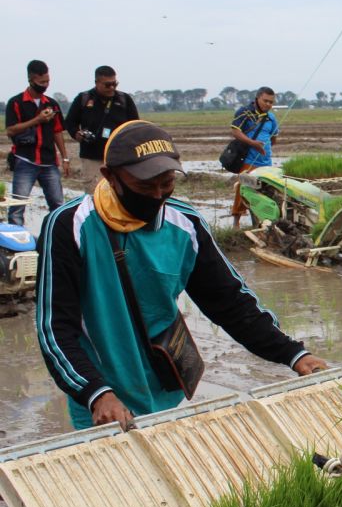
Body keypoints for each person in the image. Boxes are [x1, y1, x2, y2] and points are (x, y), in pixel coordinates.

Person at [36, 120, 326, 431]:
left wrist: (293, 353)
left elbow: (230, 302)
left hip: (163, 384)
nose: (158, 195)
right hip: (102, 396)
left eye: (167, 183)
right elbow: (54, 327)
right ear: (110, 176)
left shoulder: (185, 224)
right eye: (145, 186)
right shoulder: (70, 226)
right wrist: (95, 393)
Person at [5, 60, 68, 227]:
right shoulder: (16, 103)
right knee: (17, 206)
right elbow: (11, 130)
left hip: (49, 161)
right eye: (41, 82)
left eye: (47, 81)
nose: (45, 85)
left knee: (57, 205)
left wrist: (65, 157)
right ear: (31, 80)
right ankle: (16, 243)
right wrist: (37, 120)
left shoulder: (52, 104)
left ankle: (55, 238)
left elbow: (57, 131)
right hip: (25, 159)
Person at [64, 65, 140, 193]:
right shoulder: (84, 98)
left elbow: (135, 125)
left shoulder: (124, 99)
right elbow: (70, 122)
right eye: (107, 85)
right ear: (97, 83)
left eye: (114, 84)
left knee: (120, 194)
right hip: (92, 157)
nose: (112, 88)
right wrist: (77, 134)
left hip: (119, 158)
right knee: (95, 194)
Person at [228, 87, 279, 226]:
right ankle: (236, 222)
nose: (268, 104)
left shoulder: (271, 117)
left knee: (265, 192)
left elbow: (274, 138)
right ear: (257, 98)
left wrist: (265, 148)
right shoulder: (245, 113)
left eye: (271, 102)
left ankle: (260, 222)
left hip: (266, 162)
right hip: (249, 160)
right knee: (243, 189)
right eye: (265, 101)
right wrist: (253, 144)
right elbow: (235, 131)